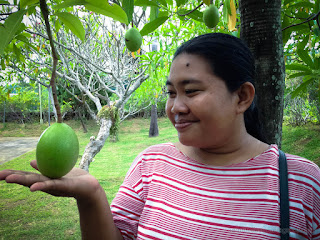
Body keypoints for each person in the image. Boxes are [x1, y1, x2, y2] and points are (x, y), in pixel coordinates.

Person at [0, 33, 319, 239]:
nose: (176, 107)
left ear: (242, 97)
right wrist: (91, 196)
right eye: (170, 93)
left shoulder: (302, 182)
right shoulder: (151, 164)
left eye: (191, 91)